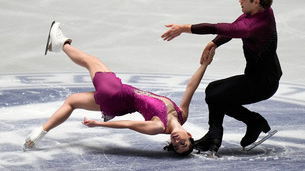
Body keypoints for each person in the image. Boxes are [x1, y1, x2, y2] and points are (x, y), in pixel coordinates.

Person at [24, 21, 215, 156]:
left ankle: (61, 44)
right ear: (188, 136)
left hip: (119, 94)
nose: (177, 141)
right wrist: (204, 66)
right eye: (183, 143)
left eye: (176, 146)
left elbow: (128, 125)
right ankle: (39, 133)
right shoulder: (182, 114)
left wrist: (99, 124)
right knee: (72, 101)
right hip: (119, 103)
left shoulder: (158, 127)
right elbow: (191, 87)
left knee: (92, 61)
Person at [161, 0, 282, 153]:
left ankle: (244, 124)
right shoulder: (264, 12)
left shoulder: (252, 26)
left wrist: (183, 28)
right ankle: (218, 133)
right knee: (214, 91)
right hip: (260, 77)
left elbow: (221, 28)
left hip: (263, 84)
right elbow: (234, 28)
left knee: (216, 95)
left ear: (256, 2)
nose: (239, 1)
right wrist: (214, 44)